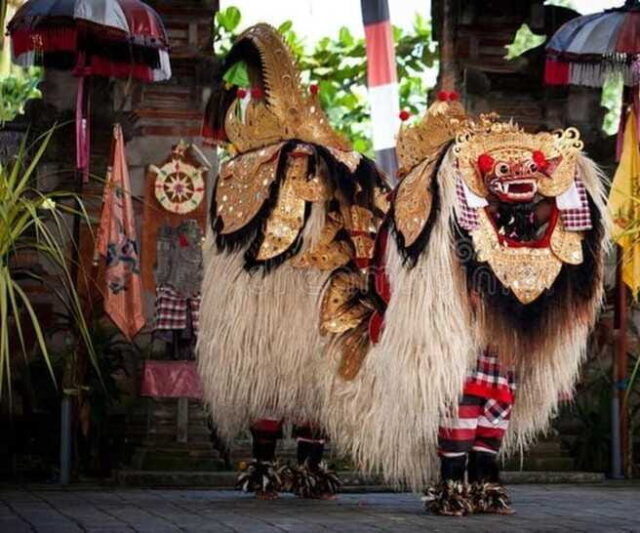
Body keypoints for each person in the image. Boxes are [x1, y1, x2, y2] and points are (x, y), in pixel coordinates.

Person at [321, 94, 608, 515]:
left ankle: (485, 480)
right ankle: (452, 483)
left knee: (497, 402)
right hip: (465, 334)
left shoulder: (526, 219)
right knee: (463, 402)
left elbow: (571, 239)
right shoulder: (455, 217)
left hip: (505, 333)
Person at [198, 23, 387, 500]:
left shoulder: (337, 164)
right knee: (273, 374)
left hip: (320, 288)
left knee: (309, 380)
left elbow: (371, 219)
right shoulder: (253, 171)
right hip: (277, 290)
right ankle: (272, 465)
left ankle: (305, 466)